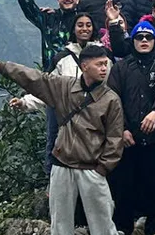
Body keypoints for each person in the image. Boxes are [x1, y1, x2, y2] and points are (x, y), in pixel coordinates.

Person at [0, 46, 139, 235]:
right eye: (99, 64)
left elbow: (114, 138)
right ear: (85, 66)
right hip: (63, 164)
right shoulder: (64, 87)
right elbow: (35, 79)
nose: (104, 68)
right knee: (60, 219)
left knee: (103, 218)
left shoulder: (110, 99)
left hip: (91, 168)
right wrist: (2, 67)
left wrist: (103, 168)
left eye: (106, 64)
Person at [107, 21, 155, 235]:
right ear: (133, 40)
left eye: (148, 37)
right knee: (124, 183)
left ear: (154, 41)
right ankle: (122, 226)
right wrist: (123, 129)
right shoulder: (120, 67)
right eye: (139, 37)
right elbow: (112, 98)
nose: (144, 41)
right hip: (129, 137)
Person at [14, 13, 98, 173]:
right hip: (66, 114)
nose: (84, 29)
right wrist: (25, 102)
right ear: (73, 29)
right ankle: (54, 183)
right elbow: (48, 87)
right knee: (55, 144)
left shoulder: (102, 55)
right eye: (80, 25)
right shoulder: (62, 58)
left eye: (88, 25)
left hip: (94, 114)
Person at [7, 0, 77, 68]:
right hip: (51, 74)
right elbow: (29, 7)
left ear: (77, 0)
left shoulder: (83, 21)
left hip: (76, 75)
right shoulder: (48, 18)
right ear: (58, 0)